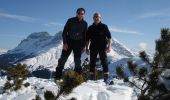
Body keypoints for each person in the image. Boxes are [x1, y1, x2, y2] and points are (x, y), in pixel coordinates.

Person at [55, 8, 88, 81]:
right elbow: (64, 32)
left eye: (82, 13)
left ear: (84, 15)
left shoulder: (85, 24)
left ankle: (77, 79)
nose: (80, 15)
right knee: (62, 59)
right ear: (76, 13)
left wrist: (84, 46)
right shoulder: (70, 20)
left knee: (77, 61)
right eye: (79, 13)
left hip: (78, 44)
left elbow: (85, 36)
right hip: (69, 42)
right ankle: (57, 77)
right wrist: (65, 43)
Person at [86, 13, 112, 84]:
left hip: (102, 47)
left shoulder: (104, 26)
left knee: (104, 62)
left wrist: (109, 47)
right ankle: (91, 79)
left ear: (100, 18)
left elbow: (109, 37)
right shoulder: (90, 27)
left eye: (98, 17)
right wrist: (86, 48)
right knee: (92, 63)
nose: (96, 18)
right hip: (93, 47)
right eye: (95, 17)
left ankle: (106, 79)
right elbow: (87, 39)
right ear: (93, 18)